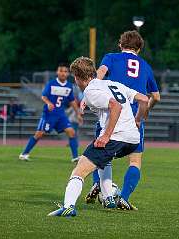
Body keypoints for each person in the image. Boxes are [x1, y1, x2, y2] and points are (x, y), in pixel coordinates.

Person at [48, 56, 148, 217]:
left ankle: (68, 207)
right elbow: (144, 99)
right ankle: (109, 197)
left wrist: (106, 135)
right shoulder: (113, 84)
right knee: (104, 160)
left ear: (78, 77)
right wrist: (138, 119)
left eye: (75, 77)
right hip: (133, 139)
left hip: (116, 136)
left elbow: (114, 106)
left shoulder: (90, 91)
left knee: (80, 170)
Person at [85, 30, 161, 210]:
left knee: (100, 154)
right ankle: (124, 198)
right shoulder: (146, 66)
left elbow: (100, 73)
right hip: (134, 120)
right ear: (139, 48)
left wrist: (91, 91)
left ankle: (98, 184)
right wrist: (141, 115)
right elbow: (156, 96)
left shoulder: (111, 57)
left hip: (112, 115)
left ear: (120, 45)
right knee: (135, 162)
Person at [19, 63, 83, 162]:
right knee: (39, 134)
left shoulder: (69, 86)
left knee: (71, 132)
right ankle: (24, 154)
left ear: (68, 74)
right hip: (49, 115)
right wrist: (48, 103)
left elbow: (72, 101)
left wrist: (78, 113)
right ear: (57, 72)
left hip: (61, 115)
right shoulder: (51, 83)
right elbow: (43, 96)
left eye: (65, 71)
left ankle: (75, 157)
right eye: (61, 71)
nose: (63, 73)